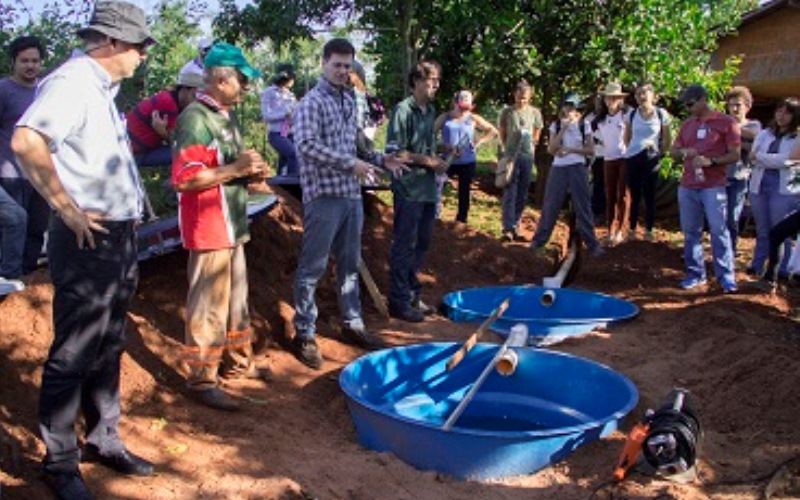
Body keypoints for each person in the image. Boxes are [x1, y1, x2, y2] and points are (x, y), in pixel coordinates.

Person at [11, 2, 157, 498]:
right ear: (112, 43)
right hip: (87, 238)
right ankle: (59, 461)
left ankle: (103, 439)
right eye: (139, 46)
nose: (143, 55)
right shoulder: (72, 83)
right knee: (75, 349)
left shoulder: (101, 89)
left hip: (117, 236)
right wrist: (67, 208)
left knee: (109, 341)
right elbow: (27, 140)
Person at [290, 38, 408, 369]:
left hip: (351, 195)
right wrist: (349, 164)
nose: (343, 71)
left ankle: (353, 323)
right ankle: (305, 333)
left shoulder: (349, 100)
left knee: (350, 262)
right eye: (337, 65)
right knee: (313, 266)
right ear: (323, 64)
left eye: (347, 65)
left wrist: (384, 160)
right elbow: (306, 145)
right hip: (324, 195)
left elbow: (357, 143)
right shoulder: (310, 103)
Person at [171, 43, 272, 410]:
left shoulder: (226, 115)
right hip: (210, 225)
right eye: (242, 80)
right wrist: (237, 169)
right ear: (219, 78)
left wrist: (252, 171)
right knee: (210, 305)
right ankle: (201, 380)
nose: (246, 87)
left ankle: (237, 364)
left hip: (232, 224)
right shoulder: (195, 118)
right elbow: (184, 179)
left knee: (236, 303)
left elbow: (232, 167)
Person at [385, 60, 446, 323]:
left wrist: (443, 154)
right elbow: (396, 152)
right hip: (408, 189)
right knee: (404, 245)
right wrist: (428, 161)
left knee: (421, 245)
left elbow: (427, 149)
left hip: (427, 190)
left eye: (437, 81)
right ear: (416, 81)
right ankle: (398, 301)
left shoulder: (430, 112)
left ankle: (411, 294)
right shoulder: (403, 111)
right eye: (430, 80)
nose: (435, 85)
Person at [670, 84, 741, 293]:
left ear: (702, 100)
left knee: (719, 230)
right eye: (685, 103)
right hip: (688, 185)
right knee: (691, 231)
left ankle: (726, 277)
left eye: (691, 103)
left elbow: (735, 154)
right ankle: (695, 274)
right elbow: (673, 151)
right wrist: (685, 152)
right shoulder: (687, 125)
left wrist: (712, 161)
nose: (688, 107)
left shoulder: (726, 123)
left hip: (713, 186)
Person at [0, 35, 50, 279]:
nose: (31, 66)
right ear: (14, 62)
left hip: (40, 174)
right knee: (12, 227)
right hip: (9, 172)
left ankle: (28, 279)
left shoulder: (46, 91)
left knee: (36, 228)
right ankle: (8, 280)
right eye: (24, 61)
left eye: (35, 61)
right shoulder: (4, 90)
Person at [530, 92, 603, 255]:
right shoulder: (555, 125)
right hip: (559, 168)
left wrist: (571, 149)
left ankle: (592, 244)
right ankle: (539, 240)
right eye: (567, 106)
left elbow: (590, 150)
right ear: (562, 107)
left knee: (582, 206)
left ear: (577, 108)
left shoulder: (585, 125)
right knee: (551, 205)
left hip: (578, 167)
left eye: (572, 106)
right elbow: (551, 149)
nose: (569, 109)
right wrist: (563, 129)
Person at [747, 97, 800, 279]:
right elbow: (753, 157)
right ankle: (757, 265)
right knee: (762, 229)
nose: (781, 116)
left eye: (787, 112)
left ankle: (782, 270)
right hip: (760, 186)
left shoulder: (797, 137)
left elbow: (790, 160)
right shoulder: (765, 133)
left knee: (781, 231)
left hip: (784, 190)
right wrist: (776, 160)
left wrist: (764, 158)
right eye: (779, 111)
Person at [434, 90, 498, 223]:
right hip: (447, 160)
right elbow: (429, 135)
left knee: (464, 191)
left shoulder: (473, 118)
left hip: (467, 161)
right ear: (454, 103)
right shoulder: (445, 117)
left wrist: (479, 142)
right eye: (461, 107)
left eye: (466, 108)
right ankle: (435, 215)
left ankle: (461, 220)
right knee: (437, 185)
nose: (463, 110)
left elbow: (492, 131)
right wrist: (443, 146)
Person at [623, 82, 672, 241]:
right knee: (634, 194)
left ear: (653, 96)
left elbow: (666, 138)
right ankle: (632, 229)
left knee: (650, 194)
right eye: (638, 94)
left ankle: (649, 230)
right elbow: (627, 137)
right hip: (633, 157)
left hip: (651, 157)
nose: (641, 97)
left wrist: (660, 153)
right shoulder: (631, 114)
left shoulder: (661, 114)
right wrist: (632, 151)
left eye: (644, 93)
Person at [126, 71, 204, 167]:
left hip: (137, 148)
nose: (196, 101)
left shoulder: (171, 99)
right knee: (188, 153)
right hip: (133, 154)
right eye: (194, 96)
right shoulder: (169, 104)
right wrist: (163, 132)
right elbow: (177, 142)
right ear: (184, 90)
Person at [497, 80, 543, 241]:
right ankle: (508, 227)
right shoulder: (507, 112)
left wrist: (532, 143)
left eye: (524, 98)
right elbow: (502, 132)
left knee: (522, 193)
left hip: (527, 156)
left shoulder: (535, 113)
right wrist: (506, 150)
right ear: (514, 95)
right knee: (510, 191)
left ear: (529, 97)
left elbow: (538, 131)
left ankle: (516, 225)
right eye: (519, 97)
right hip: (511, 156)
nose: (521, 101)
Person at [724, 86, 762, 258]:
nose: (734, 109)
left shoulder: (754, 124)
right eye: (731, 105)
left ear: (747, 106)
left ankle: (731, 251)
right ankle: (722, 250)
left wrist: (731, 129)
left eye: (738, 105)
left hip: (740, 176)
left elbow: (756, 138)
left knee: (733, 217)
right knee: (717, 217)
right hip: (720, 177)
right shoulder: (724, 123)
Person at [594, 82, 630, 245]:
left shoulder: (626, 116)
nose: (611, 101)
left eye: (615, 98)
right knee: (610, 195)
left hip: (624, 157)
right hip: (608, 158)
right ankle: (610, 229)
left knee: (622, 194)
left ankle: (622, 230)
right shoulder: (600, 120)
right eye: (609, 98)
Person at [260, 64, 298, 176]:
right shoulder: (269, 92)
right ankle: (292, 185)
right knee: (293, 154)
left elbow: (293, 114)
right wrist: (284, 114)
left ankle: (281, 189)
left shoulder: (290, 95)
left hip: (290, 133)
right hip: (276, 134)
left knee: (285, 160)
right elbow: (266, 116)